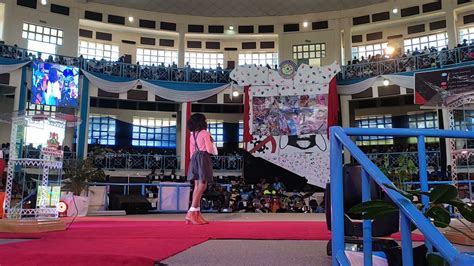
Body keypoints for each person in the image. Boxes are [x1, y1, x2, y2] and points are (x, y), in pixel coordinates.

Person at [186, 113, 218, 225]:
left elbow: (191, 151)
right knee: (203, 185)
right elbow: (209, 150)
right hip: (203, 157)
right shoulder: (205, 133)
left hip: (194, 158)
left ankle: (196, 214)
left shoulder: (192, 134)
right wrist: (211, 141)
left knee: (196, 186)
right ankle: (191, 212)